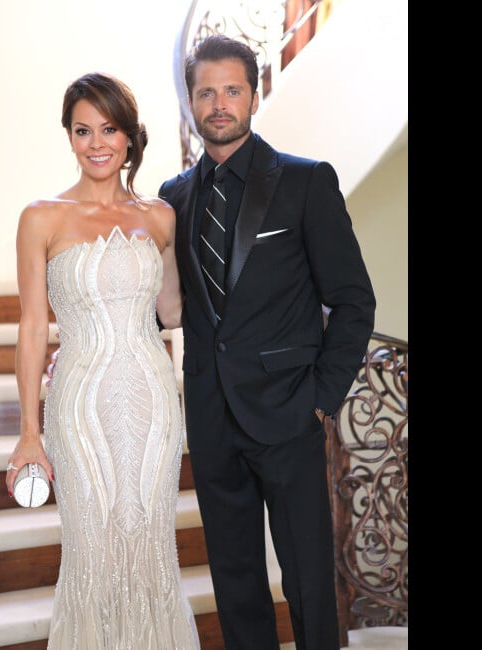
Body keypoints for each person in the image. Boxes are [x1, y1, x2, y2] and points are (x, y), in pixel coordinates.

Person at [157, 35, 376, 650]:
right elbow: (168, 307)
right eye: (206, 92)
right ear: (191, 102)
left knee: (309, 580)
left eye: (232, 90)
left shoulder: (306, 183)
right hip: (211, 417)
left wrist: (321, 398)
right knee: (235, 581)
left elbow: (355, 300)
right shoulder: (172, 199)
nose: (219, 104)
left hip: (291, 414)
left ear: (254, 95)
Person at [5, 71, 200, 650]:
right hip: (79, 404)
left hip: (152, 401)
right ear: (68, 136)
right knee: (92, 547)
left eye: (108, 129)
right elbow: (33, 324)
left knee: (149, 544)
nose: (96, 143)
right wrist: (28, 431)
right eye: (82, 130)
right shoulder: (40, 217)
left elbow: (171, 312)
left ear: (129, 137)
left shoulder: (161, 216)